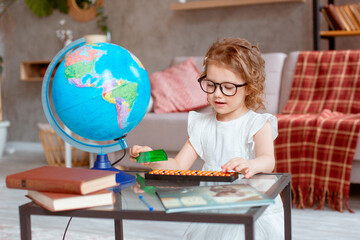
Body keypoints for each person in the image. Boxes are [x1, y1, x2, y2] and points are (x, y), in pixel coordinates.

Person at [129, 37, 284, 240]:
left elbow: (268, 160)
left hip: (250, 206)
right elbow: (178, 165)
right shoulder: (202, 125)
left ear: (249, 87)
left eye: (228, 87)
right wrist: (151, 158)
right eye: (211, 84)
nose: (217, 94)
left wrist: (251, 165)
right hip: (214, 207)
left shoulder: (257, 123)